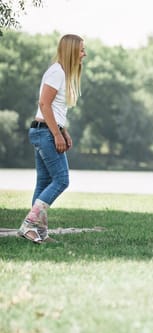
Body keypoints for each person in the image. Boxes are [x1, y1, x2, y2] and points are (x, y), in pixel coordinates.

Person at [17, 34, 87, 244]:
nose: (84, 54)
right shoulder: (56, 72)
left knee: (44, 182)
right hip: (45, 132)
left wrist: (62, 130)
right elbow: (44, 104)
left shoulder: (61, 73)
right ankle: (29, 225)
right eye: (81, 50)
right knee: (61, 180)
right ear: (71, 51)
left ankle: (37, 232)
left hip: (45, 130)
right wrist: (56, 134)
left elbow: (54, 109)